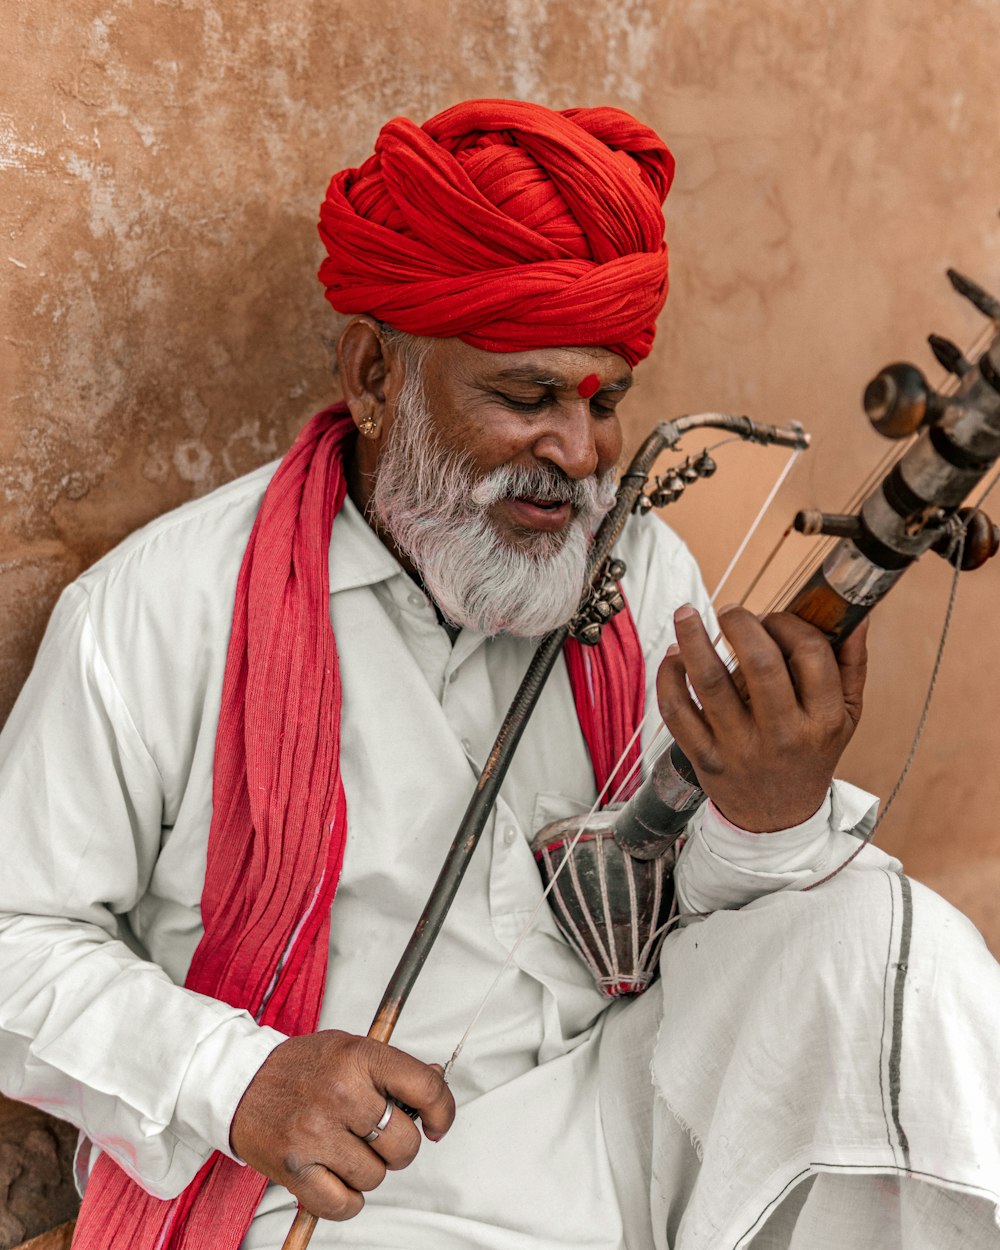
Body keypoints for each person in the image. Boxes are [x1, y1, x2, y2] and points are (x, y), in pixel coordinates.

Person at [0, 99, 998, 1250]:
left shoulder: (638, 565)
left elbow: (690, 916)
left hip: (633, 1117)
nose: (579, 457)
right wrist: (242, 1077)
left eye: (604, 400)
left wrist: (768, 819)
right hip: (357, 1196)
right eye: (525, 398)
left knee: (879, 932)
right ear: (376, 374)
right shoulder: (163, 609)